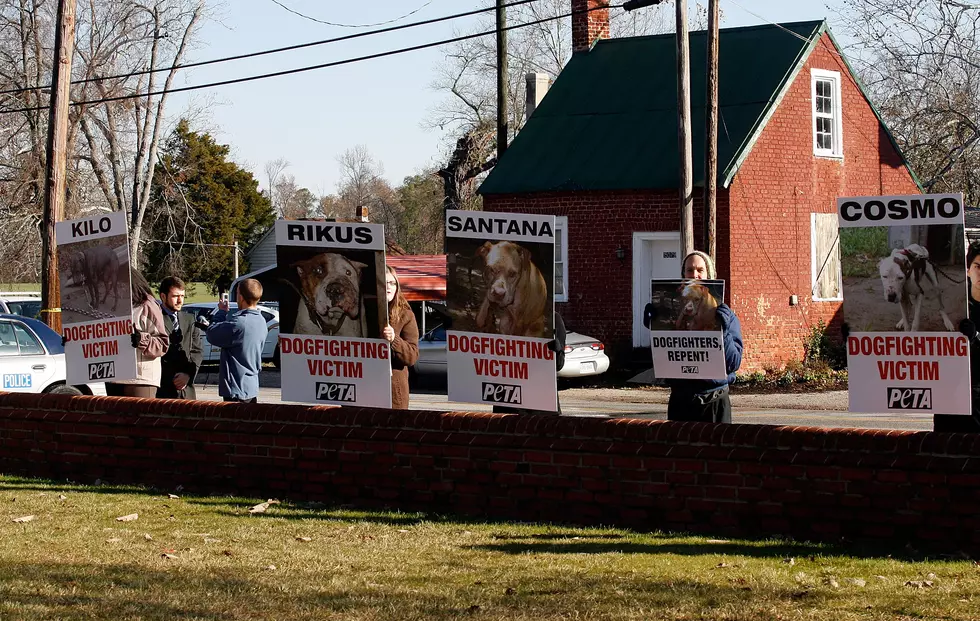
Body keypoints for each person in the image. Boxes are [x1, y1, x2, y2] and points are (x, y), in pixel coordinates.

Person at [643, 251, 743, 423]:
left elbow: (734, 363)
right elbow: (661, 360)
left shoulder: (726, 316)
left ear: (709, 275)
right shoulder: (673, 317)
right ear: (683, 275)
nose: (695, 274)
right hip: (680, 400)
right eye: (690, 270)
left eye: (700, 270)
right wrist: (656, 327)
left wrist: (723, 331)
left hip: (715, 400)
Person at [936, 242, 980, 432]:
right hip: (949, 396)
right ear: (968, 270)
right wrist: (857, 336)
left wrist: (976, 337)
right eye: (978, 266)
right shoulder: (955, 309)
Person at [106, 269, 170, 398]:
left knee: (140, 417)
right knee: (115, 418)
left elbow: (163, 344)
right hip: (113, 375)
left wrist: (141, 339)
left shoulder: (147, 306)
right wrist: (74, 342)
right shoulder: (109, 306)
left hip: (141, 378)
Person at [205, 279, 268, 403]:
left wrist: (221, 312)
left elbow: (211, 333)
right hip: (250, 386)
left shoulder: (239, 323)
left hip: (236, 388)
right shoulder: (261, 321)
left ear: (241, 297)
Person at [156, 276, 203, 400]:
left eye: (182, 296)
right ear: (163, 296)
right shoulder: (155, 318)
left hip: (187, 391)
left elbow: (197, 351)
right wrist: (174, 377)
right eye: (175, 296)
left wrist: (188, 375)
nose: (179, 300)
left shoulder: (190, 319)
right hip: (163, 389)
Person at [383, 266, 420, 409]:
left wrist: (394, 340)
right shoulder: (362, 312)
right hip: (365, 387)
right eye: (385, 283)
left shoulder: (405, 315)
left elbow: (412, 357)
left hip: (393, 392)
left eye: (392, 283)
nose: (389, 287)